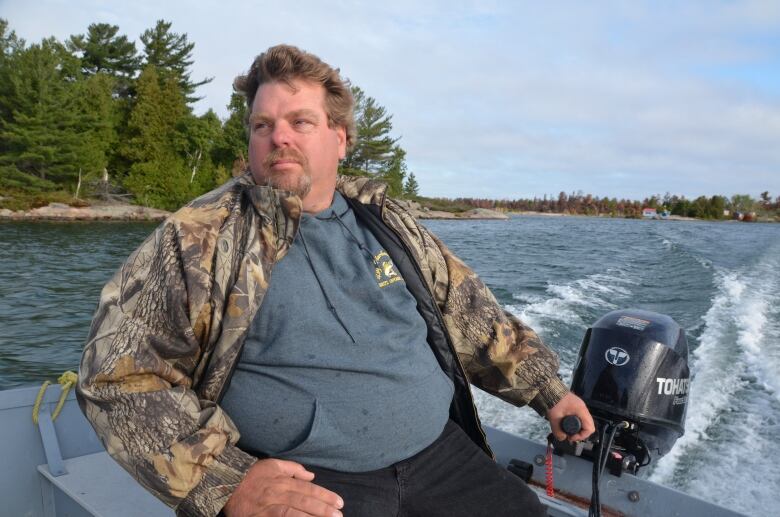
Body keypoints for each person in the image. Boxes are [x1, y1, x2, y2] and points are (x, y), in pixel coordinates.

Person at [77, 44, 595, 517]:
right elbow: (115, 376)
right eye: (262, 125)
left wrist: (548, 392)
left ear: (340, 138)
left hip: (440, 456)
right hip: (307, 483)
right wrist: (225, 481)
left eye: (300, 121)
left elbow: (468, 312)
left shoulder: (387, 222)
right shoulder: (199, 238)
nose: (278, 136)